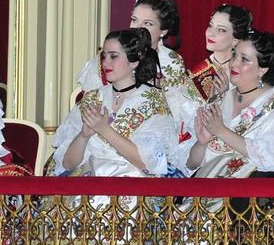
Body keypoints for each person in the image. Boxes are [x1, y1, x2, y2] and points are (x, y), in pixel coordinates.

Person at [53, 28, 179, 178]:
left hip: (132, 185)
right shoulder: (92, 97)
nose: (106, 62)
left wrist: (104, 130)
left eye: (114, 56)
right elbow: (67, 164)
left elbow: (148, 163)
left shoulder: (153, 100)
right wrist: (84, 136)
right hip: (88, 181)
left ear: (133, 62)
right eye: (104, 56)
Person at [184, 31, 274, 178]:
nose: (234, 63)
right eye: (235, 55)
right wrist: (202, 142)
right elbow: (191, 164)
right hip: (203, 192)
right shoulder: (221, 98)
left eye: (244, 60)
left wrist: (221, 131)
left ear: (262, 69)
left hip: (247, 195)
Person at [76, 0, 201, 134]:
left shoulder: (171, 61)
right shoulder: (109, 55)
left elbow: (178, 111)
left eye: (148, 23)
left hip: (154, 129)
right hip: (109, 126)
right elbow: (93, 101)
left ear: (163, 31)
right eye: (135, 20)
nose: (138, 27)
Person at [189, 4, 253, 102]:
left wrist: (226, 96)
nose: (211, 33)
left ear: (235, 40)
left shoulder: (245, 73)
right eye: (210, 26)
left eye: (221, 30)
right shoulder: (198, 71)